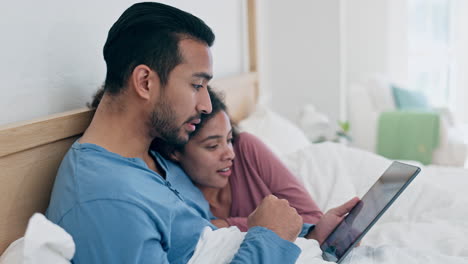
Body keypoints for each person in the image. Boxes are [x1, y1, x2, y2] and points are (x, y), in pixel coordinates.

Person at [47, 2, 358, 264]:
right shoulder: (106, 200)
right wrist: (269, 237)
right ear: (144, 82)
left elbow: (208, 239)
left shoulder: (155, 157)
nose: (207, 104)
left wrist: (310, 234)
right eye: (197, 85)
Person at [149, 88, 323, 233]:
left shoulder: (245, 148)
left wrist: (228, 225)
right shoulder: (176, 196)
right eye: (212, 146)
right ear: (174, 152)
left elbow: (314, 219)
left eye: (229, 139)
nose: (230, 154)